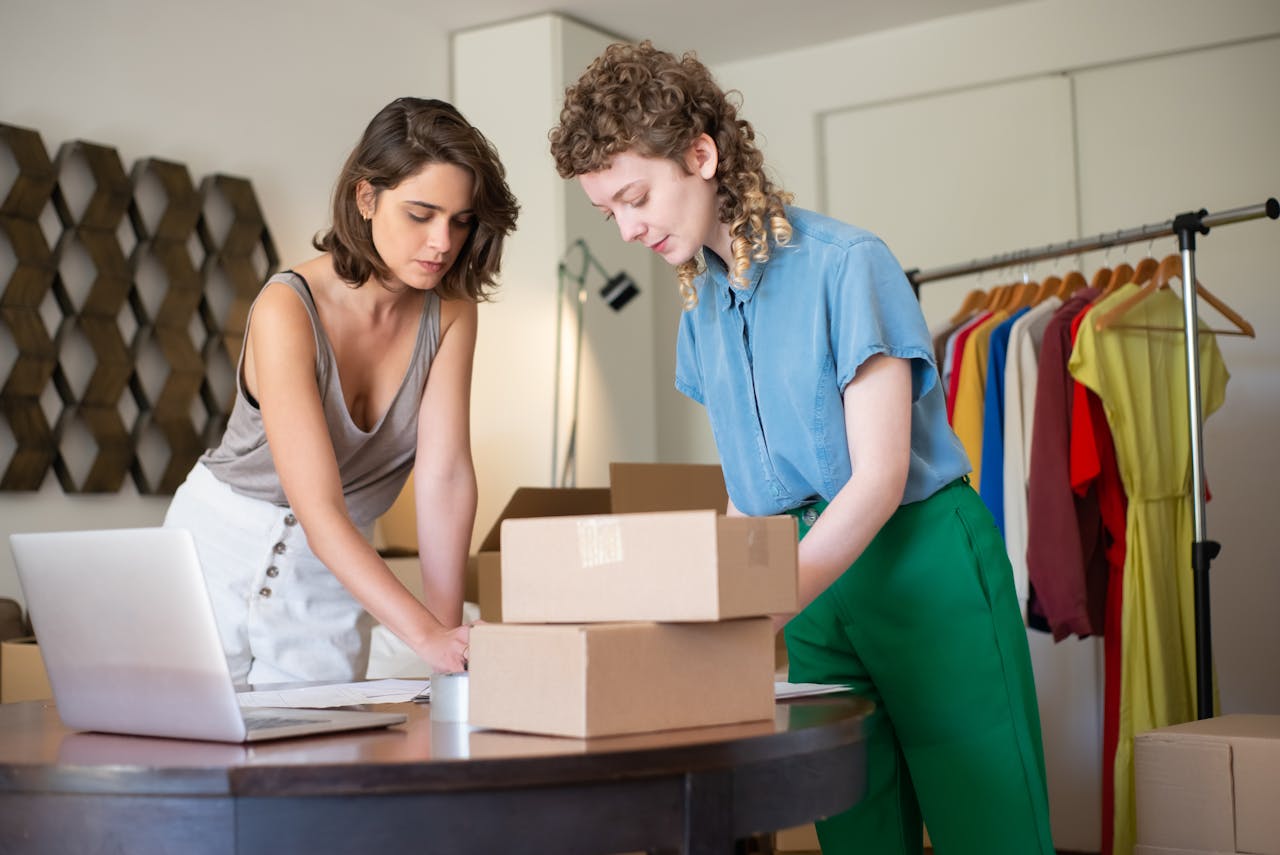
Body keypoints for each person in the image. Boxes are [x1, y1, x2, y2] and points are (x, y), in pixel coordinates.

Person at [550, 42, 1052, 855]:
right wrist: (703, 606)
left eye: (635, 197)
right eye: (610, 213)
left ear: (701, 154)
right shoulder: (700, 316)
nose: (628, 228)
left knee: (987, 826)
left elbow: (882, 476)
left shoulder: (848, 264)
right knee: (853, 826)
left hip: (921, 564)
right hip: (810, 584)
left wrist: (762, 606)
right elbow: (747, 493)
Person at [166, 97, 518, 685]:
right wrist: (424, 635)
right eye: (421, 214)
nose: (442, 242)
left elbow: (445, 477)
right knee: (180, 764)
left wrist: (449, 637)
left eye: (460, 221)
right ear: (366, 198)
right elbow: (317, 508)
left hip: (331, 575)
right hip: (211, 553)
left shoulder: (451, 312)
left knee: (317, 766)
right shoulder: (286, 309)